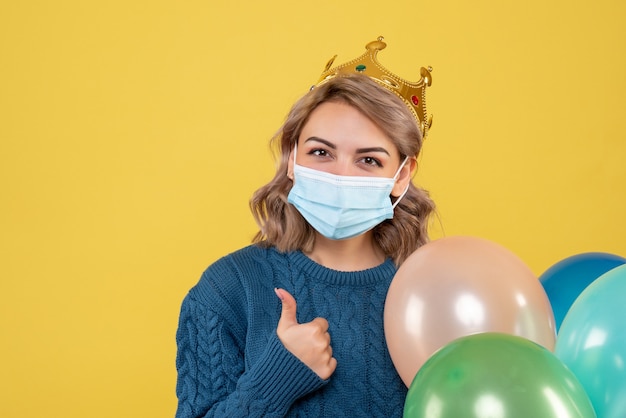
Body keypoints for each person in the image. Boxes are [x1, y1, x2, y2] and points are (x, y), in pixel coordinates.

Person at [175, 37, 436, 417]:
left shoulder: (434, 294)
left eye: (368, 160)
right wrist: (278, 377)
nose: (341, 174)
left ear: (402, 175)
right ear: (292, 156)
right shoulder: (227, 290)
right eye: (321, 152)